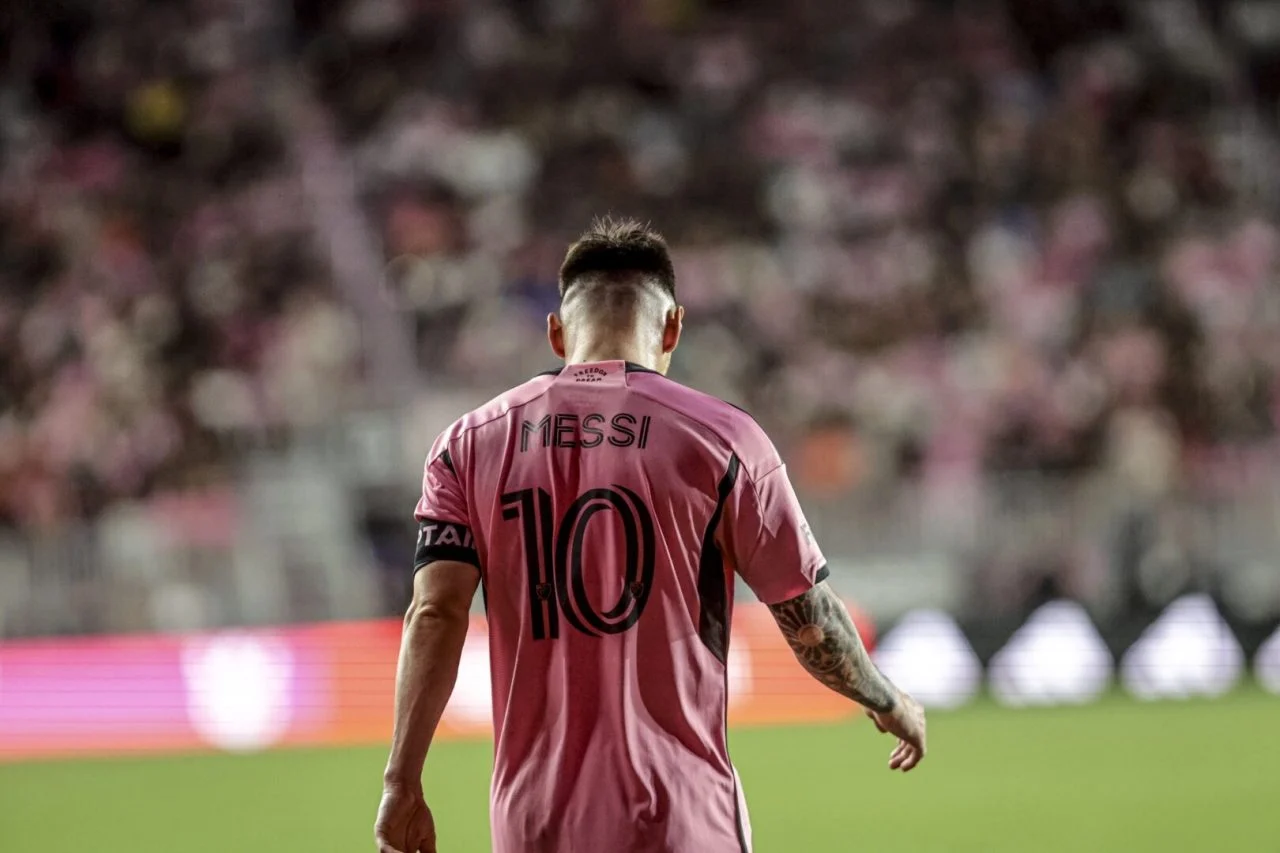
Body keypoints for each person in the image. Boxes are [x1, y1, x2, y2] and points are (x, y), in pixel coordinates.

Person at [374, 218, 927, 853]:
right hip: (681, 820)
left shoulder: (466, 445)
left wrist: (402, 783)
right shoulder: (725, 439)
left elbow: (435, 613)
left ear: (557, 334)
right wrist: (887, 700)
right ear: (673, 328)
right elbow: (808, 618)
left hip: (532, 825)